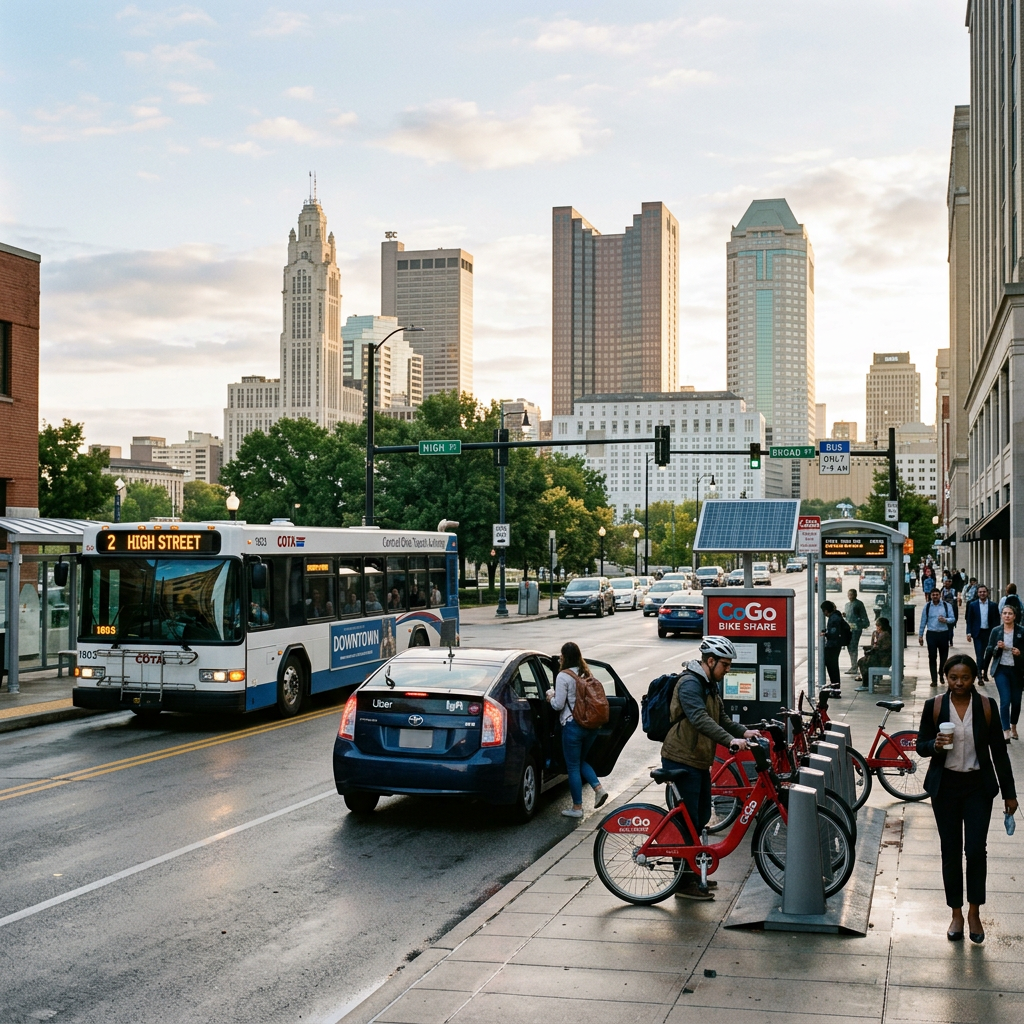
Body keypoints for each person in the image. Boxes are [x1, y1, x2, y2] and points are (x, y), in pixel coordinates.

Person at [916, 654, 1017, 943]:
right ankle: (956, 913)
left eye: (965, 678)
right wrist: (934, 744)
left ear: (974, 678)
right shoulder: (934, 706)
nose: (959, 683)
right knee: (950, 850)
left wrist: (1009, 794)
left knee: (975, 850)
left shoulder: (986, 706)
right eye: (953, 678)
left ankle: (975, 911)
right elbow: (921, 746)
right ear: (945, 677)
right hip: (945, 788)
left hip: (977, 788)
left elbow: (999, 752)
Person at [658, 636, 761, 900]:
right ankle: (683, 884)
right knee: (688, 821)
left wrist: (744, 732)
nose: (728, 670)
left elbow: (721, 717)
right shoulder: (690, 684)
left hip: (698, 759)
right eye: (725, 664)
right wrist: (730, 741)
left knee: (701, 816)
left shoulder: (709, 684)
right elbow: (699, 718)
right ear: (710, 661)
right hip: (681, 758)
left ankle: (694, 871)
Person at [547, 642, 609, 820]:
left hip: (573, 725)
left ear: (565, 657)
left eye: (561, 655)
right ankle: (598, 789)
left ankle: (577, 807)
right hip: (591, 726)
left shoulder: (563, 676)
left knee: (573, 766)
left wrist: (549, 697)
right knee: (581, 760)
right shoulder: (585, 673)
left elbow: (558, 705)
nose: (560, 658)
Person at [984, 606, 1024, 741]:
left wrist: (1020, 654)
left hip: (1017, 671)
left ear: (1014, 616)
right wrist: (997, 647)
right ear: (1001, 615)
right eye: (1005, 613)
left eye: (1010, 613)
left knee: (1016, 701)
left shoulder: (1021, 631)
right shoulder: (996, 631)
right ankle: (1005, 730)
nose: (1007, 616)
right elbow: (989, 650)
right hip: (1001, 669)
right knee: (1005, 700)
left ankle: (1013, 727)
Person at [920, 587, 956, 686]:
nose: (935, 596)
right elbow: (923, 621)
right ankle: (934, 679)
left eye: (937, 594)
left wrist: (946, 620)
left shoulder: (946, 606)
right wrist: (920, 635)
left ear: (940, 595)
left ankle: (941, 672)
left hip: (943, 633)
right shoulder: (927, 607)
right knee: (932, 657)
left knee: (944, 657)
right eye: (933, 595)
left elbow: (953, 619)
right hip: (931, 634)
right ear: (930, 596)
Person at [965, 585, 999, 684]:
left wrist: (996, 634)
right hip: (978, 633)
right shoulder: (973, 605)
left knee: (988, 654)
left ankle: (985, 673)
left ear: (987, 593)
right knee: (979, 655)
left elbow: (996, 621)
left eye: (984, 592)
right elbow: (969, 620)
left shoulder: (993, 605)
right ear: (977, 593)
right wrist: (968, 632)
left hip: (989, 633)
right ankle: (979, 675)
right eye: (980, 592)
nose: (982, 594)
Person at [855, 617, 893, 689]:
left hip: (883, 658)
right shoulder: (880, 634)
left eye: (878, 626)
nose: (877, 628)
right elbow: (875, 645)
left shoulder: (884, 634)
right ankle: (867, 681)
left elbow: (880, 647)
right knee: (863, 661)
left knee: (862, 662)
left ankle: (866, 684)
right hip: (880, 657)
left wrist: (874, 647)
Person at [820, 601, 846, 690]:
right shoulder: (836, 616)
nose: (824, 614)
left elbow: (834, 632)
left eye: (824, 611)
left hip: (833, 645)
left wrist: (826, 633)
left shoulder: (834, 618)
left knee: (832, 667)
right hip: (835, 644)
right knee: (833, 666)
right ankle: (835, 687)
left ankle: (835, 688)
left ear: (826, 610)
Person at [844, 589, 871, 675]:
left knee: (853, 646)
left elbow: (863, 615)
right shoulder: (847, 605)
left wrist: (863, 624)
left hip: (856, 629)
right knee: (850, 646)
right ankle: (853, 665)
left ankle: (854, 666)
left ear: (855, 595)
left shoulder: (859, 604)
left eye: (851, 595)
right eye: (849, 594)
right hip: (849, 628)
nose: (850, 596)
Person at [940, 579, 959, 645]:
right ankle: (947, 639)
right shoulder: (942, 591)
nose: (947, 584)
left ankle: (950, 639)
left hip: (953, 610)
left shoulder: (954, 590)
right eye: (946, 583)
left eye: (948, 583)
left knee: (951, 626)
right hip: (944, 610)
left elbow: (956, 599)